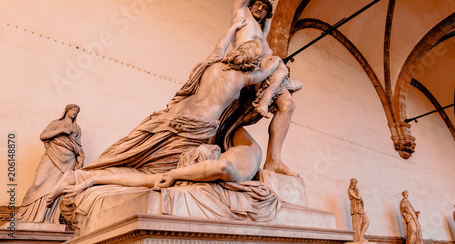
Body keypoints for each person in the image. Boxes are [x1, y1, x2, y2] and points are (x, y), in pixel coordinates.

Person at [46, 20, 280, 201]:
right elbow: (270, 68)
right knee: (153, 170)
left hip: (166, 117)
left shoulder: (212, 64)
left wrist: (234, 28)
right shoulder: (243, 77)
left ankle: (85, 175)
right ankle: (87, 178)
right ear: (250, 62)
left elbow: (219, 45)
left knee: (127, 151)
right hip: (193, 129)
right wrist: (277, 59)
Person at [227, 0, 302, 177]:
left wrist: (270, 2)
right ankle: (268, 96)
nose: (260, 9)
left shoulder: (261, 31)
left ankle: (273, 160)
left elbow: (267, 28)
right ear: (250, 4)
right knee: (277, 61)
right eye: (257, 4)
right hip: (247, 67)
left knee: (288, 104)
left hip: (266, 72)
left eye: (265, 8)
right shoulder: (242, 15)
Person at [17, 104, 84, 223]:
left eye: (77, 111)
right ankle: (24, 213)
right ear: (66, 111)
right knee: (38, 183)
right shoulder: (55, 123)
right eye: (73, 110)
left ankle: (45, 217)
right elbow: (43, 136)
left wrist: (79, 157)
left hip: (68, 159)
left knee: (56, 188)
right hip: (52, 154)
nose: (75, 112)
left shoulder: (77, 128)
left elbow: (78, 146)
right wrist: (61, 130)